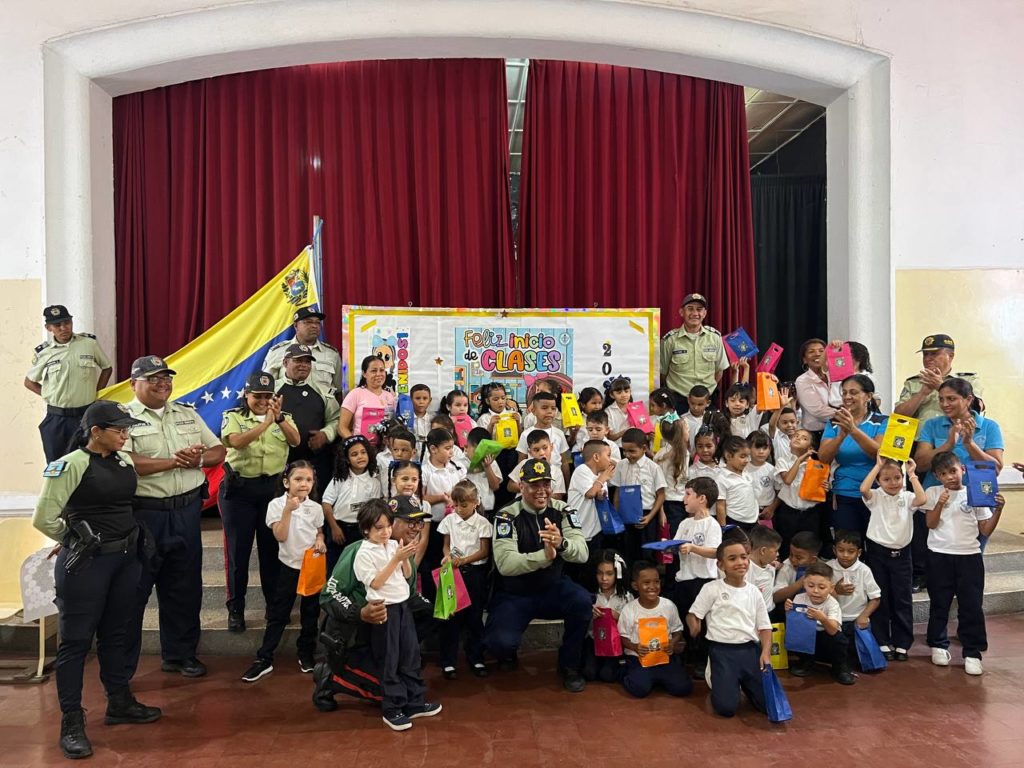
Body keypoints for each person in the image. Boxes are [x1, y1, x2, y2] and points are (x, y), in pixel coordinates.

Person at [32, 401, 161, 760]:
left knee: (116, 633)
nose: (125, 435)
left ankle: (119, 702)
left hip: (125, 559)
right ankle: (72, 723)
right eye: (119, 429)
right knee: (75, 642)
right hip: (88, 564)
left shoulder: (123, 461)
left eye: (127, 429)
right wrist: (73, 539)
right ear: (96, 432)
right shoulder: (71, 464)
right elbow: (44, 517)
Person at [123, 355, 225, 679]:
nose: (162, 383)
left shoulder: (186, 414)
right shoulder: (122, 419)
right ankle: (121, 670)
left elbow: (218, 450)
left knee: (184, 588)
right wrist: (173, 462)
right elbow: (127, 462)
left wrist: (197, 462)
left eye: (166, 377)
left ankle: (180, 656)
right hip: (145, 516)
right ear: (133, 384)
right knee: (133, 593)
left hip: (186, 513)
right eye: (153, 378)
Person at [314, 495, 431, 712]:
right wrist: (360, 612)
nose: (416, 528)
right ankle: (331, 676)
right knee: (391, 691)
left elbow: (407, 594)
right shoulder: (358, 551)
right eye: (410, 522)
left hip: (386, 626)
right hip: (352, 635)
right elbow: (329, 595)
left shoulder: (402, 550)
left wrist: (437, 610)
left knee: (409, 672)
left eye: (419, 522)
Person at [485, 459, 591, 692]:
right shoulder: (506, 515)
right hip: (516, 594)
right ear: (521, 486)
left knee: (582, 602)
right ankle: (508, 653)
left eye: (546, 484)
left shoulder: (563, 510)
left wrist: (561, 544)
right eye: (534, 485)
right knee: (499, 643)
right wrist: (544, 556)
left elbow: (582, 553)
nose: (542, 490)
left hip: (553, 588)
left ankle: (569, 665)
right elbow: (506, 565)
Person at [219, 371, 301, 633]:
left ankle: (274, 606)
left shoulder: (284, 418)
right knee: (238, 553)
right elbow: (236, 442)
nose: (264, 401)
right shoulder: (233, 416)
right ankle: (236, 609)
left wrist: (278, 419)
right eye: (258, 396)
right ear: (247, 395)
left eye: (268, 396)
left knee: (272, 551)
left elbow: (296, 440)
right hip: (240, 492)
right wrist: (265, 424)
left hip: (272, 492)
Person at [352, 499, 442, 730]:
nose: (385, 532)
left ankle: (415, 701)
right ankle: (392, 708)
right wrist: (396, 559)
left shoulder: (393, 545)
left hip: (402, 605)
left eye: (388, 526)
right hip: (384, 609)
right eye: (378, 528)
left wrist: (406, 557)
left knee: (410, 655)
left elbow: (407, 574)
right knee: (389, 658)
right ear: (366, 529)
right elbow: (376, 582)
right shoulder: (363, 553)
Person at [918, 451, 1004, 675]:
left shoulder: (975, 492)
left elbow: (985, 529)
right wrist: (940, 504)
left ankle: (972, 653)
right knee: (940, 602)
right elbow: (930, 524)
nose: (950, 476)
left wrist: (998, 510)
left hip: (969, 556)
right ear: (937, 476)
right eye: (944, 473)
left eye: (953, 471)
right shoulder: (933, 492)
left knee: (971, 605)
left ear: (963, 470)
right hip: (939, 555)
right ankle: (938, 644)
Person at [241, 461, 326, 682]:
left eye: (308, 480)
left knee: (310, 614)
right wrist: (288, 510)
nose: (304, 484)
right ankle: (264, 657)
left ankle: (306, 652)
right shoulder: (276, 504)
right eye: (298, 479)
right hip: (288, 566)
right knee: (279, 613)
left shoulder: (315, 508)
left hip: (311, 566)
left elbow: (319, 531)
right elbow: (280, 535)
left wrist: (320, 539)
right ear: (287, 482)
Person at [686, 540, 772, 718]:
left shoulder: (754, 591)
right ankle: (722, 681)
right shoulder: (712, 588)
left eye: (743, 557)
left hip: (749, 650)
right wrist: (694, 624)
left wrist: (765, 653)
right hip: (722, 651)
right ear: (720, 565)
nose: (740, 562)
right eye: (732, 559)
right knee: (726, 708)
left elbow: (765, 627)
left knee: (769, 705)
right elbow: (693, 614)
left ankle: (746, 684)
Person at [25, 305, 113, 462]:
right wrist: (49, 395)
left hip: (85, 416)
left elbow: (107, 368)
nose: (63, 328)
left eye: (67, 322)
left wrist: (96, 393)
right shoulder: (44, 352)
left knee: (89, 462)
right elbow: (29, 382)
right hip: (57, 419)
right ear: (48, 328)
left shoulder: (88, 343)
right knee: (57, 465)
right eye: (57, 325)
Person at [860, 456, 927, 660]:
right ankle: (882, 640)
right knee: (880, 596)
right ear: (879, 481)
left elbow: (922, 499)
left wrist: (912, 474)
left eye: (897, 477)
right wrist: (878, 466)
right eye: (886, 479)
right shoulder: (876, 496)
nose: (893, 483)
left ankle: (902, 644)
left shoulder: (907, 496)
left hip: (902, 555)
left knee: (902, 598)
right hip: (878, 553)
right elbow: (863, 489)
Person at [817, 373, 886, 542]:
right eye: (844, 393)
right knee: (847, 546)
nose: (847, 397)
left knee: (876, 547)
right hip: (844, 493)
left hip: (877, 494)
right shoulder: (834, 423)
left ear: (868, 396)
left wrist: (853, 430)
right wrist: (841, 436)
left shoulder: (882, 421)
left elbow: (880, 455)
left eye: (853, 392)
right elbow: (823, 458)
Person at [437, 480, 493, 679]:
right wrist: (448, 557)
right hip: (453, 572)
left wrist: (464, 560)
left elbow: (484, 551)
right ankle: (448, 661)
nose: (459, 509)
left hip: (475, 573)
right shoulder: (450, 520)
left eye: (464, 505)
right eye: (456, 505)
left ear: (476, 502)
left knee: (474, 617)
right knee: (450, 617)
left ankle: (476, 657)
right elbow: (446, 545)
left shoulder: (483, 523)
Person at [617, 560, 692, 699]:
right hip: (639, 658)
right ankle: (626, 672)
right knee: (639, 689)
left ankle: (659, 677)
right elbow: (623, 637)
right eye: (646, 583)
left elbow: (677, 630)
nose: (652, 587)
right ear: (635, 585)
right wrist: (635, 647)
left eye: (656, 582)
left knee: (683, 688)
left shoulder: (668, 606)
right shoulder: (629, 610)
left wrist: (672, 643)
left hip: (664, 657)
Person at [672, 477, 723, 677]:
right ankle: (690, 656)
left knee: (701, 623)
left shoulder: (712, 524)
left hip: (703, 582)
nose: (684, 499)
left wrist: (693, 548)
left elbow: (715, 551)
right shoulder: (685, 523)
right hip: (684, 579)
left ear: (702, 498)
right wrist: (668, 547)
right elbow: (677, 544)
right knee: (685, 618)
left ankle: (703, 659)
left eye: (688, 494)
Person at [914, 378, 1004, 489]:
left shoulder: (989, 426)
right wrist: (949, 444)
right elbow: (920, 465)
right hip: (937, 494)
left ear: (969, 399)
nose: (945, 404)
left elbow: (995, 470)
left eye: (951, 399)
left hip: (977, 494)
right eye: (941, 399)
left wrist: (969, 444)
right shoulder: (931, 425)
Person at [322, 435, 384, 574]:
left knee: (357, 568)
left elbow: (374, 509)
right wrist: (334, 527)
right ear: (347, 459)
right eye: (354, 454)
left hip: (361, 529)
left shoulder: (374, 481)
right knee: (335, 567)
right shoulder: (339, 479)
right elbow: (326, 503)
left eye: (363, 452)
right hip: (339, 527)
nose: (360, 457)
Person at [784, 561, 854, 684]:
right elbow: (794, 625)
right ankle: (806, 661)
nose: (815, 591)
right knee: (797, 634)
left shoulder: (832, 604)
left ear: (831, 588)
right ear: (804, 584)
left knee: (839, 640)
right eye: (811, 586)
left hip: (827, 637)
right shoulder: (799, 598)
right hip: (809, 636)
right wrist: (789, 611)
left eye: (821, 587)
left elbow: (833, 630)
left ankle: (840, 668)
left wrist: (823, 618)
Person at [660, 293, 730, 408]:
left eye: (699, 309)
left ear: (704, 313)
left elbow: (719, 371)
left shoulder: (715, 338)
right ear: (681, 312)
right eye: (690, 309)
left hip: (707, 401)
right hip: (678, 401)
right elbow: (663, 373)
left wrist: (703, 394)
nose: (695, 313)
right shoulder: (670, 340)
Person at [894, 334, 983, 424]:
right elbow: (898, 417)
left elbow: (976, 409)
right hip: (921, 433)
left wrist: (941, 387)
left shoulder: (969, 380)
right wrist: (921, 394)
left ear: (950, 356)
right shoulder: (913, 382)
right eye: (925, 354)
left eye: (934, 354)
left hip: (955, 432)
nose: (928, 358)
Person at [827, 531, 881, 668]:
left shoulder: (864, 570)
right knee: (835, 655)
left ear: (859, 552)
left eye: (851, 551)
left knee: (861, 660)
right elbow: (819, 595)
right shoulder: (828, 568)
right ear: (834, 550)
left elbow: (875, 598)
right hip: (833, 620)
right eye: (841, 550)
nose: (845, 555)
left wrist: (864, 616)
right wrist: (836, 590)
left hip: (856, 620)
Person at [611, 428, 667, 563]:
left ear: (644, 448)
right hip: (625, 515)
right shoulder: (621, 465)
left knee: (647, 553)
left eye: (632, 451)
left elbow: (660, 495)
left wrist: (650, 516)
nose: (627, 455)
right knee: (628, 552)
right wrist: (616, 515)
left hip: (646, 515)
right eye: (624, 451)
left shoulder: (653, 467)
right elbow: (617, 491)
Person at [262, 306, 342, 390]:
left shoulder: (331, 354)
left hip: (323, 399)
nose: (314, 326)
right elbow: (266, 387)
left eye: (317, 322)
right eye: (308, 322)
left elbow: (339, 389)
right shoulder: (278, 352)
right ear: (295, 326)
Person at [582, 549, 631, 683]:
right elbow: (580, 625)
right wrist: (588, 614)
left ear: (617, 574)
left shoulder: (626, 597)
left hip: (615, 642)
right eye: (600, 573)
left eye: (609, 574)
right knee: (589, 673)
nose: (604, 579)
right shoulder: (589, 595)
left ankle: (617, 665)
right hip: (594, 640)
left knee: (607, 675)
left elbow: (632, 625)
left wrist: (619, 617)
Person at [567, 439, 618, 567]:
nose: (610, 460)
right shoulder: (581, 470)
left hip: (595, 531)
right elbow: (590, 493)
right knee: (579, 569)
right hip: (579, 531)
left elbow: (599, 495)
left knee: (593, 567)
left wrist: (601, 493)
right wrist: (603, 478)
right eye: (608, 455)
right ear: (596, 457)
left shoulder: (601, 475)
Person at [772, 429, 818, 560]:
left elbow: (819, 491)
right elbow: (788, 480)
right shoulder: (783, 461)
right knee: (786, 547)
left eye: (804, 438)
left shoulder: (817, 465)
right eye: (796, 436)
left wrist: (825, 486)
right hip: (788, 512)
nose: (798, 438)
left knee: (807, 549)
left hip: (810, 514)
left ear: (810, 448)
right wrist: (799, 461)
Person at [339, 355, 397, 439]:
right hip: (361, 446)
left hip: (385, 446)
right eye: (374, 371)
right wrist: (355, 443)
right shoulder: (355, 394)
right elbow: (342, 428)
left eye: (381, 370)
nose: (378, 374)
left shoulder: (390, 396)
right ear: (364, 374)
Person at [714, 436, 758, 531]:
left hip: (753, 521)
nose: (747, 460)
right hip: (735, 521)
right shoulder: (721, 478)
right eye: (742, 456)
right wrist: (723, 528)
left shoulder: (746, 473)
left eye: (748, 456)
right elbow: (720, 506)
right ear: (728, 456)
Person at [510, 429, 568, 500]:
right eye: (536, 450)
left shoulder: (557, 472)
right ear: (530, 452)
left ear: (551, 447)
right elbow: (510, 486)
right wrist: (529, 490)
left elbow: (558, 495)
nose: (542, 453)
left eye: (545, 448)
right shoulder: (524, 464)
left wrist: (541, 495)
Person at [793, 338, 834, 437]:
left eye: (821, 351)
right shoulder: (802, 380)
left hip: (840, 429)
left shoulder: (833, 376)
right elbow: (818, 411)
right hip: (817, 434)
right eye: (811, 352)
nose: (817, 354)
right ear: (804, 359)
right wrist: (847, 415)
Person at [464, 427, 503, 517]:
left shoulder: (491, 462)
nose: (479, 455)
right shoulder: (460, 463)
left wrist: (487, 467)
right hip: (466, 509)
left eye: (482, 451)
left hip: (486, 509)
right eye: (476, 451)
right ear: (466, 447)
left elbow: (495, 486)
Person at [747, 525, 782, 612]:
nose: (778, 554)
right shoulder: (746, 570)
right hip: (755, 615)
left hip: (770, 611)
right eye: (776, 551)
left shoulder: (769, 563)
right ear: (763, 551)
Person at [603, 376, 633, 443]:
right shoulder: (608, 411)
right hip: (616, 446)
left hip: (634, 444)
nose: (624, 395)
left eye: (626, 391)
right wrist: (625, 432)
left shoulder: (636, 408)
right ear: (612, 395)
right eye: (619, 393)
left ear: (630, 392)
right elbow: (609, 437)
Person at [409, 383, 433, 449]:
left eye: (425, 398)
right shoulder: (405, 420)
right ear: (411, 400)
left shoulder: (433, 420)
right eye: (417, 398)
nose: (421, 402)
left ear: (430, 400)